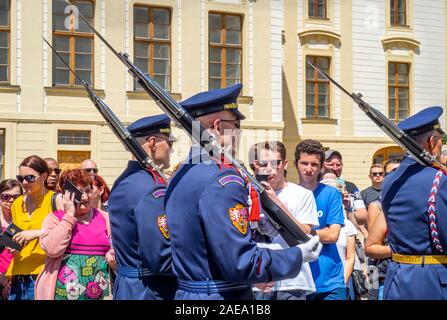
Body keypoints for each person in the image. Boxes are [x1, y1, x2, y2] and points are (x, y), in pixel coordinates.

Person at [166, 84, 322, 300]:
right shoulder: (223, 180)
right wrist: (296, 255)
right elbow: (240, 262)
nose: (239, 132)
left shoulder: (182, 174)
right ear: (219, 127)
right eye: (236, 125)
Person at [108, 114, 177, 300]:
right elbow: (161, 257)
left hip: (130, 285)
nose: (171, 148)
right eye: (169, 142)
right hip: (151, 289)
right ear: (153, 142)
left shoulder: (127, 180)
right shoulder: (150, 187)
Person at [381, 106, 447, 300]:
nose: (441, 146)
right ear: (431, 141)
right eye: (440, 141)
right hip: (433, 281)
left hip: (397, 277)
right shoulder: (439, 179)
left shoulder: (390, 179)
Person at [250, 141, 319, 300]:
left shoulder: (302, 194)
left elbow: (304, 233)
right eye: (263, 163)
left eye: (275, 163)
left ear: (285, 164)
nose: (269, 168)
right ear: (256, 165)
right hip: (258, 278)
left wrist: (277, 204)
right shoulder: (246, 192)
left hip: (293, 280)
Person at [35, 169, 115, 300]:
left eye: (88, 190)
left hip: (101, 294)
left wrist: (113, 257)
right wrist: (69, 216)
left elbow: (118, 252)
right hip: (61, 295)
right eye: (78, 192)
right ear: (65, 194)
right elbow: (52, 249)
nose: (84, 196)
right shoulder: (55, 219)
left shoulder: (105, 218)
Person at [294, 140, 345, 300]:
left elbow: (333, 236)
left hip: (330, 280)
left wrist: (302, 230)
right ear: (296, 164)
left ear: (322, 167)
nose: (308, 169)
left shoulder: (331, 194)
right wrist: (319, 232)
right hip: (299, 279)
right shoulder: (288, 194)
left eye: (314, 164)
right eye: (304, 163)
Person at [6, 155, 63, 300]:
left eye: (30, 178)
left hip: (44, 275)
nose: (24, 182)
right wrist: (13, 245)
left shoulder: (55, 200)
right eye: (21, 178)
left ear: (43, 176)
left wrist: (36, 233)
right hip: (18, 276)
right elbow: (18, 235)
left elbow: (65, 233)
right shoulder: (17, 203)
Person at [319, 173, 358, 300]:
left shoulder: (347, 225)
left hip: (337, 284)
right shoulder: (313, 220)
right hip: (314, 282)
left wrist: (343, 282)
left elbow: (350, 257)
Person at [323, 150, 367, 225]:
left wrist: (348, 207)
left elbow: (363, 217)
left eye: (338, 165)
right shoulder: (314, 186)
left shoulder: (350, 187)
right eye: (331, 164)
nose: (335, 168)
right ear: (322, 165)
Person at [0, 179, 23, 299]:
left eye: (16, 196)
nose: (11, 200)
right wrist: (2, 279)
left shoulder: (26, 221)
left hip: (22, 279)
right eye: (5, 196)